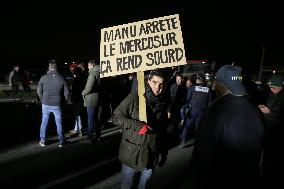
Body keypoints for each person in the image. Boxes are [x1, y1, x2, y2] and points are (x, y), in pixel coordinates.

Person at [190, 65, 265, 189]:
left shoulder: (215, 111)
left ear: (222, 85)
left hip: (221, 180)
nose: (213, 86)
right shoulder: (257, 112)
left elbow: (202, 157)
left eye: (216, 83)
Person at [112, 69, 170, 189]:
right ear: (148, 81)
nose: (157, 87)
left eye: (161, 84)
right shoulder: (135, 97)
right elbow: (116, 117)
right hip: (132, 152)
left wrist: (164, 152)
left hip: (151, 154)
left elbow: (162, 131)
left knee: (143, 185)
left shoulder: (163, 103)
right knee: (127, 185)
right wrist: (137, 125)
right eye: (154, 82)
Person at [258, 75, 284, 187]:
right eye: (271, 87)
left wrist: (269, 112)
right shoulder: (272, 94)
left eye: (273, 87)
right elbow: (270, 107)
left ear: (280, 86)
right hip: (268, 127)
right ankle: (263, 172)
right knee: (266, 152)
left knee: (273, 154)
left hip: (277, 131)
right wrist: (263, 108)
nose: (271, 89)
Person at [37, 60, 70, 148]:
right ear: (56, 67)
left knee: (44, 122)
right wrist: (64, 102)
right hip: (57, 104)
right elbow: (67, 92)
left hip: (46, 104)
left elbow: (39, 91)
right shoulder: (61, 78)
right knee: (59, 122)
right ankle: (61, 141)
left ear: (49, 67)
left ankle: (43, 140)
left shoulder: (43, 77)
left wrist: (42, 99)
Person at [179, 73, 212, 147]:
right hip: (202, 111)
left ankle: (183, 141)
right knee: (198, 127)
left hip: (193, 110)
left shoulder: (193, 88)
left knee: (187, 126)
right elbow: (209, 103)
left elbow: (188, 98)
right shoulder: (208, 89)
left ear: (197, 80)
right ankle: (198, 141)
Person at [81, 59, 101, 143]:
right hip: (99, 98)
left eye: (88, 65)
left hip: (91, 99)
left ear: (92, 65)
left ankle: (89, 138)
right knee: (97, 118)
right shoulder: (101, 73)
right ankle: (98, 136)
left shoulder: (92, 74)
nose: (88, 67)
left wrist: (83, 93)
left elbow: (89, 88)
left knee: (90, 119)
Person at [69, 66, 87, 136]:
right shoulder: (84, 79)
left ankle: (79, 130)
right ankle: (78, 128)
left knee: (77, 115)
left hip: (77, 99)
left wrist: (72, 98)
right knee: (81, 114)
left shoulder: (76, 80)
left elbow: (74, 91)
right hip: (82, 98)